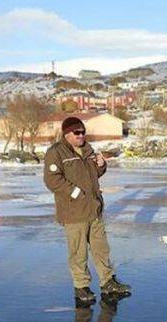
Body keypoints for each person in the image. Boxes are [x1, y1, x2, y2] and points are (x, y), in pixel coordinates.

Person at [44, 117, 131, 306]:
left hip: (94, 208)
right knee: (78, 251)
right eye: (77, 133)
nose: (81, 135)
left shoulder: (88, 150)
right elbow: (52, 180)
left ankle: (108, 281)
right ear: (67, 134)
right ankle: (81, 286)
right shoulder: (56, 152)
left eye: (83, 132)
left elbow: (94, 175)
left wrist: (101, 166)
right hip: (74, 212)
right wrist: (75, 192)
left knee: (101, 248)